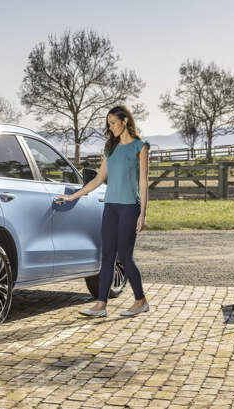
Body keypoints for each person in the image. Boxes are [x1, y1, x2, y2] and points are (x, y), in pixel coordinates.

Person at [56, 105, 150, 317]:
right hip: (110, 207)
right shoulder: (110, 148)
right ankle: (101, 304)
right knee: (107, 256)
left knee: (124, 255)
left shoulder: (140, 147)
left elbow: (143, 183)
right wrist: (73, 196)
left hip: (129, 207)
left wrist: (143, 214)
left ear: (125, 121)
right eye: (109, 124)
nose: (111, 127)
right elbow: (98, 179)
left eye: (114, 123)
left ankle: (141, 300)